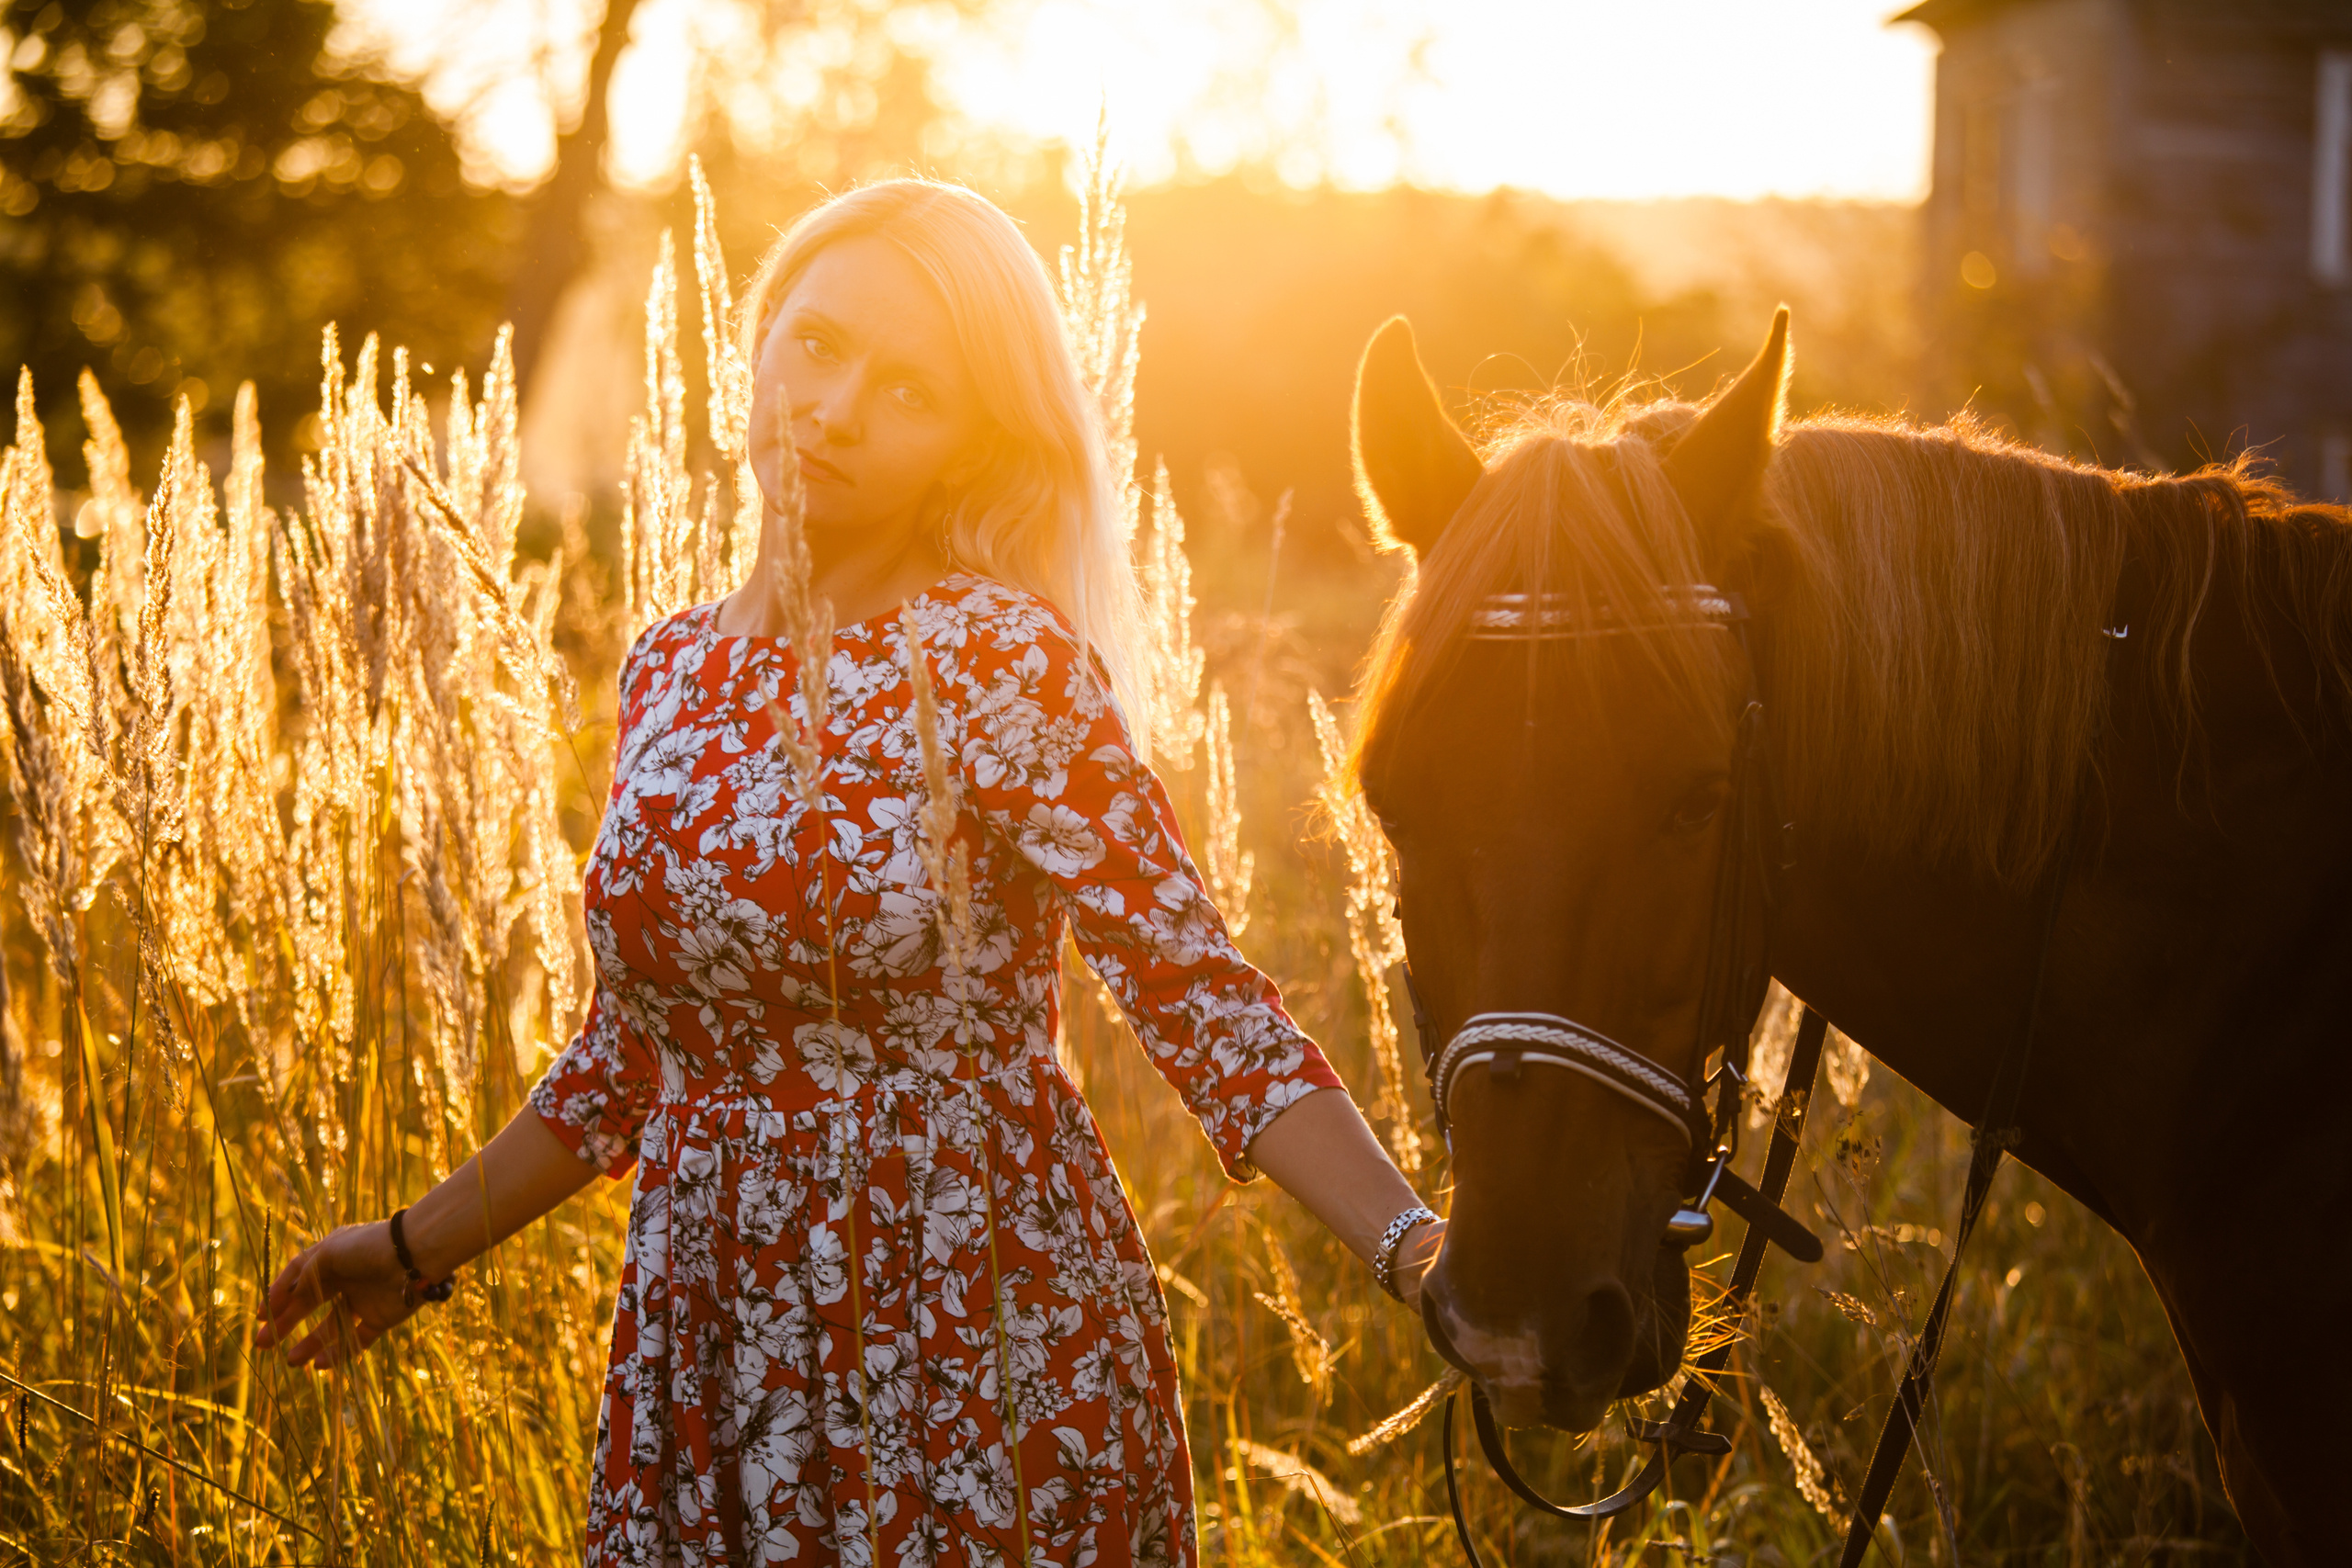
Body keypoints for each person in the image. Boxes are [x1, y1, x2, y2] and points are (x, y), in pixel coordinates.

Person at [256, 176, 1444, 1568]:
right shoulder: (671, 671)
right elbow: (632, 1060)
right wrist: (412, 1247)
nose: (833, 409)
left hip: (971, 1340)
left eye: (908, 390)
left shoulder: (997, 660)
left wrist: (1414, 1249)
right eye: (816, 346)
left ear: (969, 445)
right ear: (757, 341)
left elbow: (1204, 1004)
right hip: (707, 1348)